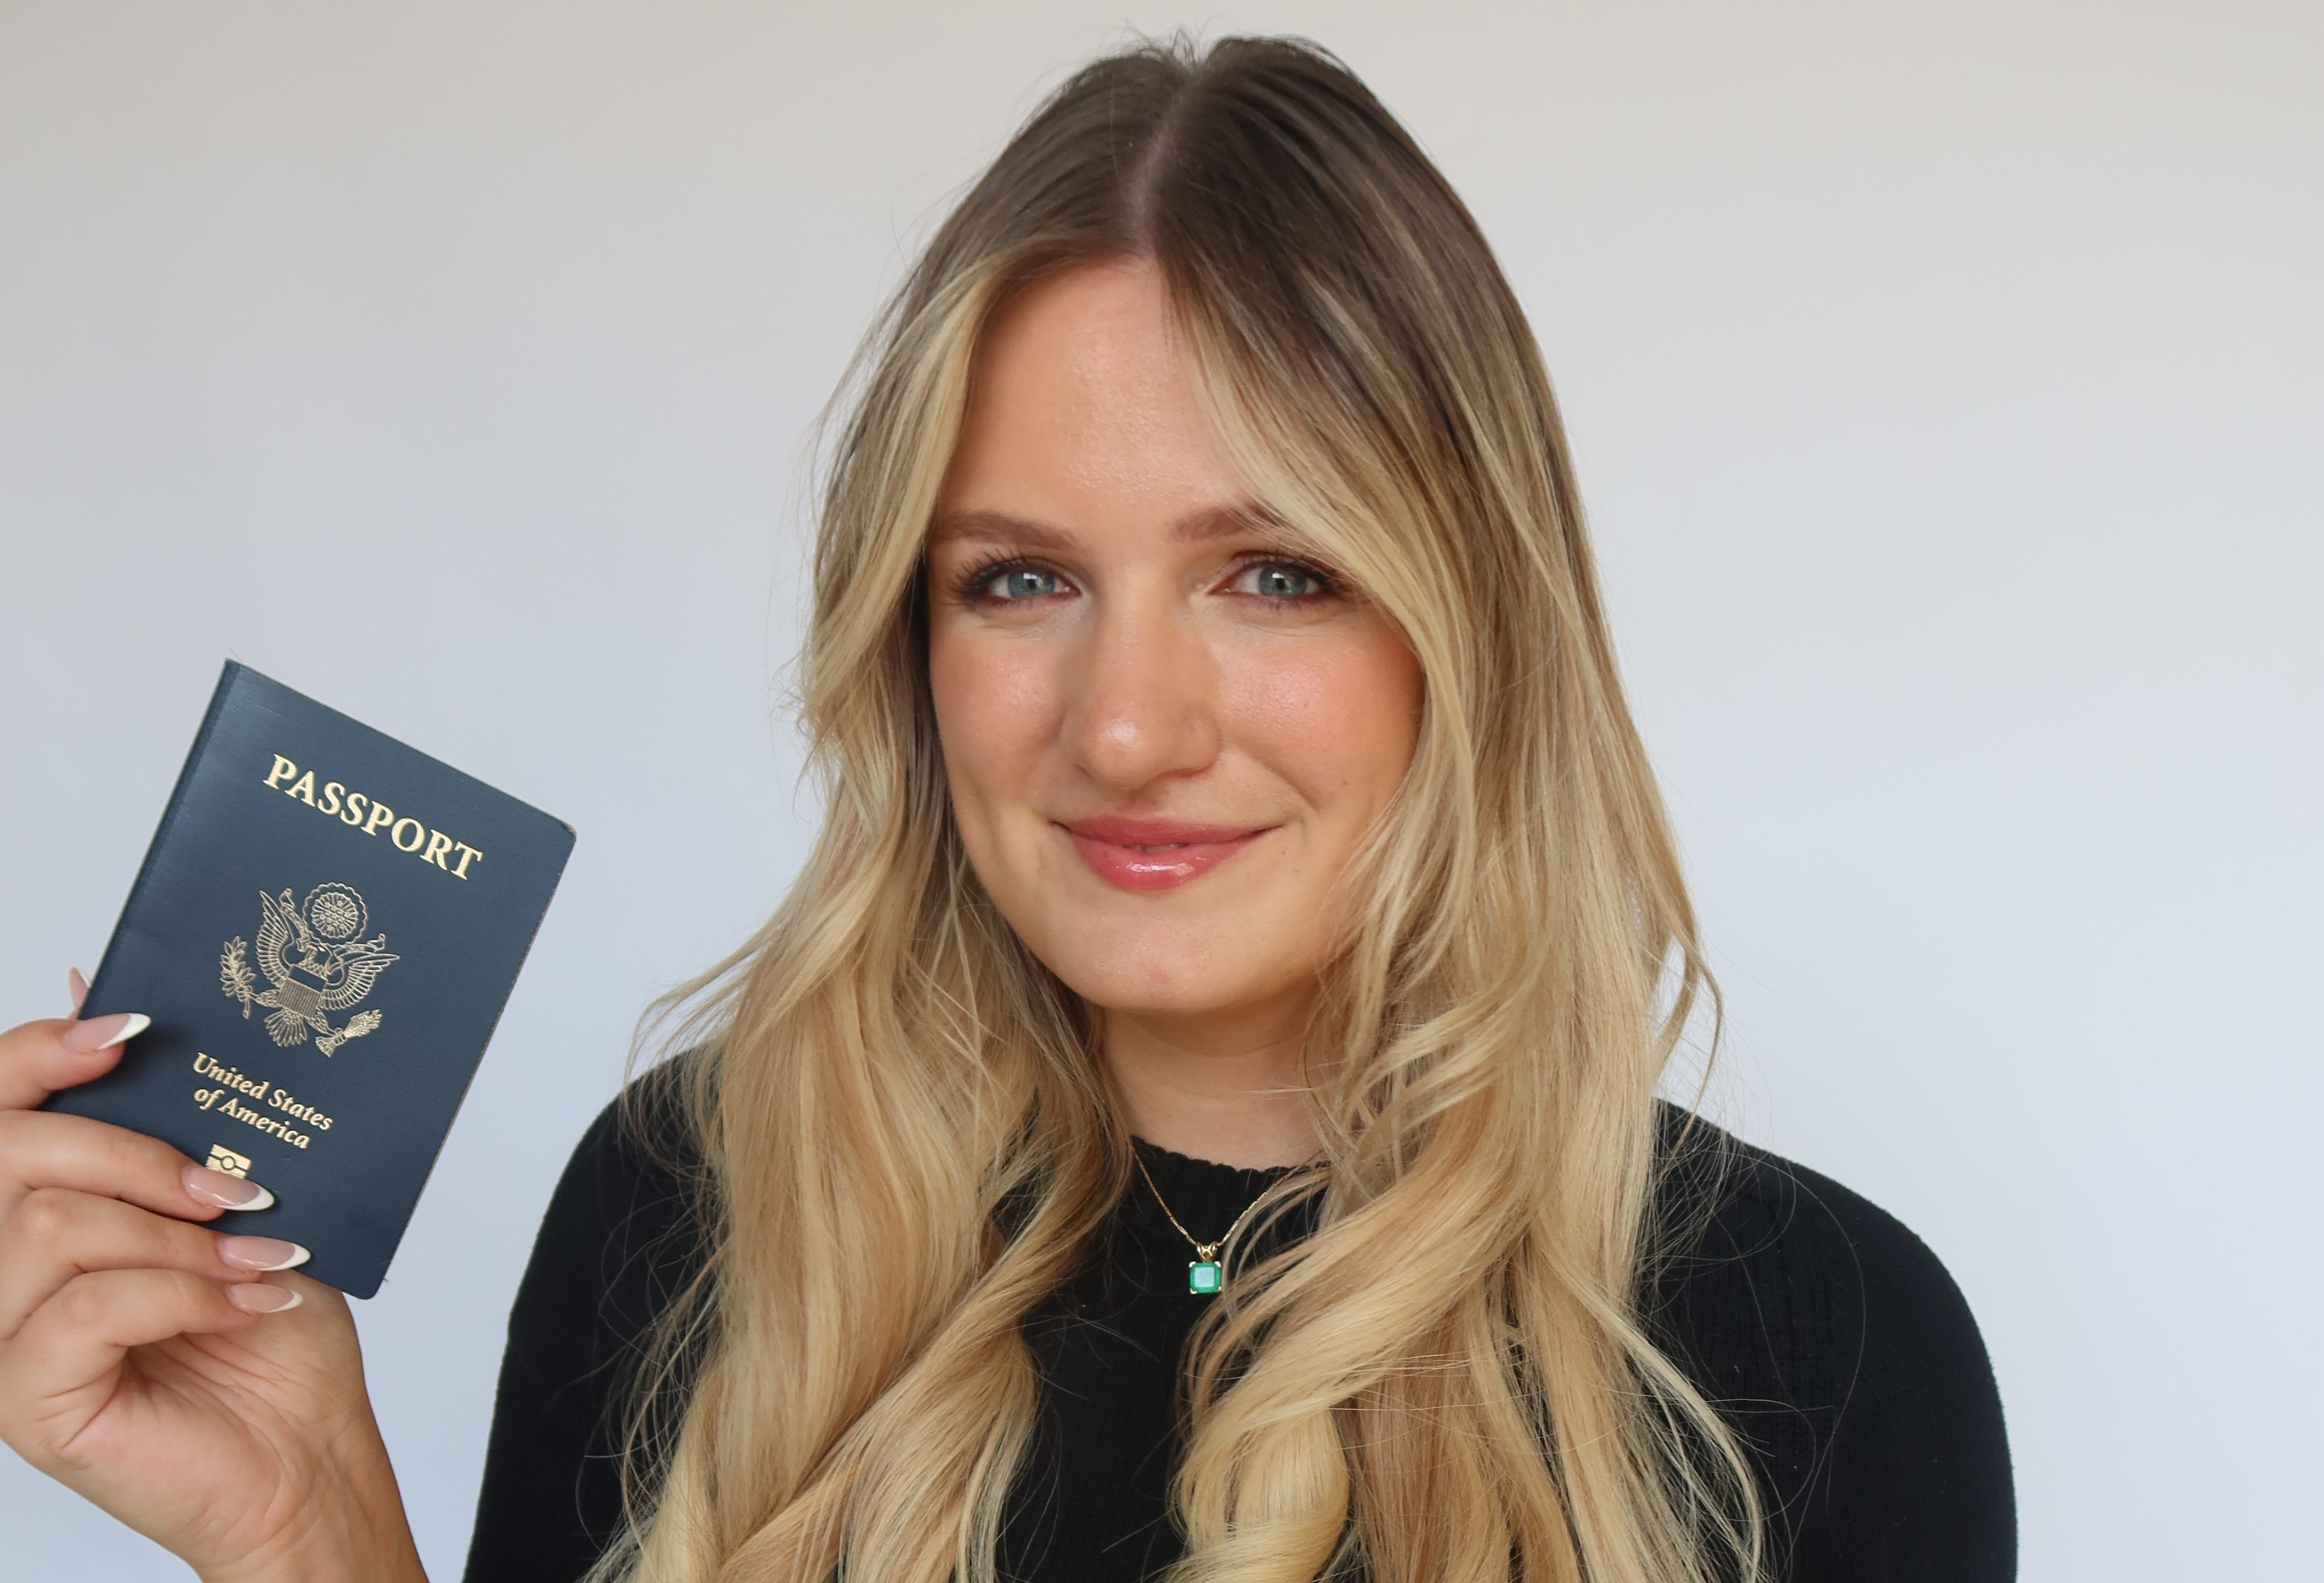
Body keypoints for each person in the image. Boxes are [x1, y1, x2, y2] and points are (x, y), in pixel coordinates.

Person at [0, 34, 2012, 1583]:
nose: (1126, 728)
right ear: (911, 640)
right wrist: (310, 1531)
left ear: (1469, 629)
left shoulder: (1827, 1344)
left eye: (1275, 573)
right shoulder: (687, 1216)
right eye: (1021, 580)